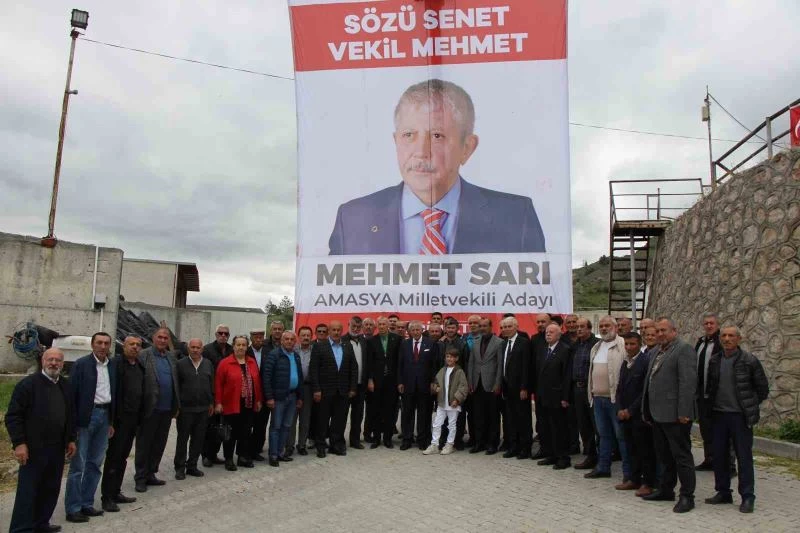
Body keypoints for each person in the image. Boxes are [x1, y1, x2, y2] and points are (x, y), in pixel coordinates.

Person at [328, 78, 545, 255]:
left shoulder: (517, 218)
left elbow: (537, 300)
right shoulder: (352, 218)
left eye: (437, 135)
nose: (421, 151)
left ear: (467, 148)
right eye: (408, 135)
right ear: (396, 141)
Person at [6, 348, 76, 533]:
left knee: (50, 488)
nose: (54, 363)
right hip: (33, 448)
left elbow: (70, 415)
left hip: (57, 447)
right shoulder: (28, 385)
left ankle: (41, 523)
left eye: (58, 360)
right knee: (28, 491)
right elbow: (13, 416)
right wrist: (19, 443)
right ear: (43, 361)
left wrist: (71, 439)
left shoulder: (65, 385)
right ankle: (22, 529)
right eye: (50, 359)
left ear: (63, 363)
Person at [704, 326, 769, 513]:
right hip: (719, 415)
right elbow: (711, 387)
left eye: (731, 335)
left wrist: (748, 405)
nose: (726, 339)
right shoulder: (715, 360)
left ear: (739, 339)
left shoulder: (749, 361)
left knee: (744, 457)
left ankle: (748, 496)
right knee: (720, 457)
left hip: (740, 417)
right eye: (723, 335)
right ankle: (723, 492)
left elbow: (762, 388)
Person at [642, 318, 697, 513]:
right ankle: (666, 489)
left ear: (674, 330)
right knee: (664, 456)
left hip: (676, 415)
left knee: (681, 456)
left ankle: (687, 496)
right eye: (657, 331)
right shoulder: (656, 351)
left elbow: (687, 383)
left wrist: (684, 412)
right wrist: (646, 409)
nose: (660, 334)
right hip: (657, 414)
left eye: (663, 330)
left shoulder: (684, 350)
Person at [64, 332, 116, 523]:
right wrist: (74, 424)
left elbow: (113, 393)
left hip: (104, 416)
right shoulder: (82, 364)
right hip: (86, 418)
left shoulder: (111, 366)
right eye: (99, 343)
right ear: (92, 345)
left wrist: (111, 421)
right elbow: (71, 396)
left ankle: (86, 503)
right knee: (78, 465)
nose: (103, 346)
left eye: (106, 343)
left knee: (95, 463)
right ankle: (73, 508)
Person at [100, 336, 144, 513]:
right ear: (123, 346)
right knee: (113, 458)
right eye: (131, 344)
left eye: (138, 345)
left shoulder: (139, 366)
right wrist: (111, 420)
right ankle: (107, 497)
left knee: (123, 458)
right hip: (119, 420)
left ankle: (116, 491)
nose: (135, 347)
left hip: (133, 420)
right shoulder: (116, 365)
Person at [584, 316, 631, 484]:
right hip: (598, 399)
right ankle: (603, 467)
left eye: (607, 326)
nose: (604, 328)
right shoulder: (596, 347)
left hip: (614, 400)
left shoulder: (622, 345)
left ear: (615, 327)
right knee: (603, 435)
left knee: (622, 437)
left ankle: (628, 474)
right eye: (601, 326)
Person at [135, 328, 180, 493]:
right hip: (149, 409)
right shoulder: (144, 355)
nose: (162, 340)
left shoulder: (170, 357)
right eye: (159, 337)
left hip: (167, 409)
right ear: (153, 338)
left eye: (165, 338)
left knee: (159, 444)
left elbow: (175, 382)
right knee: (144, 445)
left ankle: (151, 474)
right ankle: (140, 478)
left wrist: (177, 406)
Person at [215, 335, 264, 470]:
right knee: (230, 433)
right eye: (238, 344)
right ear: (233, 346)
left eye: (243, 345)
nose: (241, 347)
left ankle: (242, 456)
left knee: (246, 432)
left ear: (247, 346)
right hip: (231, 404)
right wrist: (218, 402)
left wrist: (259, 400)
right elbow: (218, 384)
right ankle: (229, 459)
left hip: (248, 404)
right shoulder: (225, 363)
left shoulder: (252, 362)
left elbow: (257, 383)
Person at [310, 320, 358, 457]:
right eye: (333, 330)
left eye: (338, 330)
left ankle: (335, 445)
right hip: (324, 391)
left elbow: (353, 368)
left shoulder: (347, 346)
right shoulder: (320, 346)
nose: (336, 332)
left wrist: (353, 387)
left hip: (343, 391)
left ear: (341, 331)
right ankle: (320, 446)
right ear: (329, 331)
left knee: (339, 420)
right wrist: (316, 389)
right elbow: (314, 370)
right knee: (322, 420)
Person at [616, 333, 656, 496]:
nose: (629, 347)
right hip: (624, 413)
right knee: (631, 448)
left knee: (644, 450)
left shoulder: (645, 362)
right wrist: (619, 408)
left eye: (632, 344)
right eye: (626, 344)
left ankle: (648, 482)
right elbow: (620, 387)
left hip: (639, 414)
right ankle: (633, 479)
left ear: (639, 344)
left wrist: (630, 410)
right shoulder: (625, 362)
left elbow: (644, 391)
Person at [694, 312, 734, 473]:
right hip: (701, 395)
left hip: (717, 395)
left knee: (724, 432)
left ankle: (729, 464)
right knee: (706, 429)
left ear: (717, 325)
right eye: (706, 323)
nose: (709, 326)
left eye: (712, 323)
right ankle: (709, 458)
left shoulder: (722, 343)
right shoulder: (701, 343)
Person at [532, 324, 572, 469]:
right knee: (545, 427)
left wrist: (565, 397)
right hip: (542, 396)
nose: (548, 334)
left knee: (559, 428)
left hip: (557, 397)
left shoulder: (565, 350)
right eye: (547, 332)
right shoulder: (543, 350)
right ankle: (550, 455)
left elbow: (567, 376)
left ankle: (563, 458)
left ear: (559, 335)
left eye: (551, 332)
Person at [173, 338, 214, 480]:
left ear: (202, 349)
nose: (195, 350)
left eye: (198, 347)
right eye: (193, 347)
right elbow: (176, 386)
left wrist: (211, 403)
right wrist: (177, 406)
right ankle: (179, 467)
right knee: (182, 439)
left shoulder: (208, 364)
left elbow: (211, 384)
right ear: (188, 348)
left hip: (203, 409)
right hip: (185, 409)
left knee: (198, 439)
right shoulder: (180, 364)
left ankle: (192, 466)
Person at [262, 331, 303, 467]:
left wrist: (300, 396)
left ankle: (280, 453)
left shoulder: (296, 356)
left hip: (292, 396)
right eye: (287, 339)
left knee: (286, 426)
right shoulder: (274, 355)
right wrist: (269, 397)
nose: (289, 341)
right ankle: (273, 455)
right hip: (278, 398)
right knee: (276, 427)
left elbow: (300, 377)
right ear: (282, 341)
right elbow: (266, 377)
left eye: (292, 339)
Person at [398, 321, 438, 450]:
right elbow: (400, 364)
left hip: (425, 385)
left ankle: (423, 439)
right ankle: (407, 439)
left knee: (424, 414)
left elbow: (434, 365)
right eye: (413, 330)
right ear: (409, 331)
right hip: (408, 385)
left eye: (418, 329)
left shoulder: (430, 343)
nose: (415, 332)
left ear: (422, 330)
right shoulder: (404, 344)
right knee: (407, 413)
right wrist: (400, 382)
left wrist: (433, 382)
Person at [364, 316, 402, 448]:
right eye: (379, 324)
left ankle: (387, 438)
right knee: (375, 410)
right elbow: (368, 363)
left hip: (392, 381)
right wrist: (369, 380)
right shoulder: (371, 341)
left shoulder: (396, 339)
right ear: (376, 326)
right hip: (376, 381)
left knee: (390, 410)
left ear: (388, 326)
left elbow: (399, 362)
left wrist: (399, 381)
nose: (381, 326)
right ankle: (376, 438)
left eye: (384, 324)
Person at [423, 348, 469, 455]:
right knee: (437, 423)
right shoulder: (442, 370)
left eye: (452, 357)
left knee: (452, 424)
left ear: (456, 358)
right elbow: (436, 382)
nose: (449, 359)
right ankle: (434, 444)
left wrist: (457, 399)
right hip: (442, 403)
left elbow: (463, 387)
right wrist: (435, 388)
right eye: (447, 356)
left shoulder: (459, 371)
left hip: (453, 403)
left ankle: (450, 444)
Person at [468, 317, 503, 454]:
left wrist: (497, 383)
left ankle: (492, 444)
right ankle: (479, 443)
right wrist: (470, 382)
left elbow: (500, 365)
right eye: (480, 325)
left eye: (484, 326)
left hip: (491, 385)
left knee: (493, 416)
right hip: (477, 384)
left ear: (491, 327)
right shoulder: (475, 342)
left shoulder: (499, 342)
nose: (482, 328)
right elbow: (471, 363)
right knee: (478, 416)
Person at [499, 317, 532, 459]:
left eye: (508, 326)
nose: (505, 329)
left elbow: (527, 367)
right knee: (511, 419)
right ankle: (514, 447)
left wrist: (524, 387)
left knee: (523, 419)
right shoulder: (504, 343)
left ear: (516, 326)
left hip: (520, 389)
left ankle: (525, 448)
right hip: (507, 388)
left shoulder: (524, 343)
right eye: (503, 327)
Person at [201, 324, 232, 467]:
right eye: (221, 333)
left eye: (226, 334)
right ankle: (206, 455)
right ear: (216, 334)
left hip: (227, 395)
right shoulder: (207, 350)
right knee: (209, 427)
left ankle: (214, 454)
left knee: (222, 427)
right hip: (212, 394)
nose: (223, 335)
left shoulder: (232, 350)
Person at [571, 318, 599, 469]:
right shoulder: (575, 346)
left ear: (589, 328)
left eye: (582, 327)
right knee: (584, 425)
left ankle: (602, 456)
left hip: (591, 389)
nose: (579, 329)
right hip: (577, 389)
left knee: (596, 425)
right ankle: (590, 455)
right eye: (577, 327)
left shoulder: (596, 344)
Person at [438, 317, 469, 449]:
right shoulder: (440, 343)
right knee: (443, 411)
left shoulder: (462, 343)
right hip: (443, 380)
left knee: (458, 412)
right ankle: (443, 439)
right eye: (448, 327)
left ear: (457, 329)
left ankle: (457, 439)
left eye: (452, 328)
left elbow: (466, 363)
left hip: (457, 381)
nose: (450, 330)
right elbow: (437, 363)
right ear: (444, 328)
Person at [287, 326, 314, 455]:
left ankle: (302, 445)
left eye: (308, 335)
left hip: (308, 388)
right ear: (298, 337)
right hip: (295, 388)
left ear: (311, 337)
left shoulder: (315, 350)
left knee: (305, 418)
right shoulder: (292, 350)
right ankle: (289, 445)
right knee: (292, 418)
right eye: (303, 335)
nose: (306, 337)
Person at [342, 316, 367, 449]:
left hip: (361, 385)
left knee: (358, 415)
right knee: (342, 414)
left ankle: (355, 440)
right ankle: (339, 440)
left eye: (358, 327)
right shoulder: (342, 341)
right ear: (348, 325)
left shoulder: (364, 341)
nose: (356, 329)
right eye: (354, 326)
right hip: (346, 385)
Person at [247, 328, 270, 461]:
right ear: (251, 338)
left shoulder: (268, 352)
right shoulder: (246, 351)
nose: (259, 339)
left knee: (261, 425)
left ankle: (256, 450)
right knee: (248, 424)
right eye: (256, 337)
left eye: (261, 337)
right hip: (249, 395)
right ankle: (246, 451)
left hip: (264, 394)